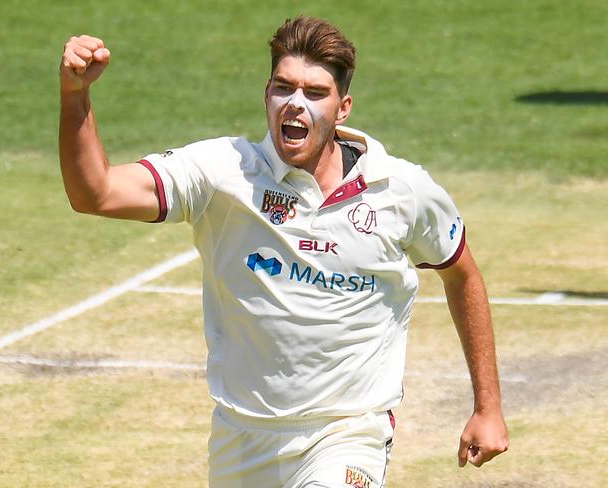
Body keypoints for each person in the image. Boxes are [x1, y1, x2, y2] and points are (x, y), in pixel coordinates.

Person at [60, 16, 508, 488]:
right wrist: (75, 97)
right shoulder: (223, 172)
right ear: (267, 95)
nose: (296, 103)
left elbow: (462, 276)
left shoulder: (401, 189)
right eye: (283, 87)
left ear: (343, 109)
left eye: (315, 93)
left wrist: (488, 407)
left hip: (348, 432)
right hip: (241, 435)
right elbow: (97, 194)